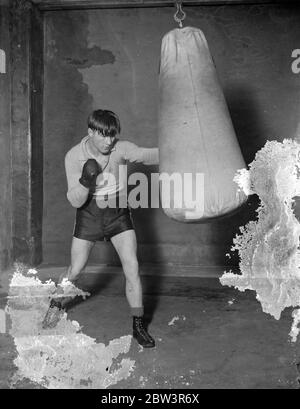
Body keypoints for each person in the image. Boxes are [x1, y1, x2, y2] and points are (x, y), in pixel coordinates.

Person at [42, 109, 159, 348]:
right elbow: (75, 200)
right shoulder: (74, 156)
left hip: (117, 211)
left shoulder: (120, 148)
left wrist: (180, 148)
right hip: (89, 213)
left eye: (112, 135)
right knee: (75, 269)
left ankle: (138, 326)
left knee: (132, 267)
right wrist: (87, 179)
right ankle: (56, 303)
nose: (109, 141)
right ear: (91, 132)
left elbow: (147, 155)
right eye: (104, 135)